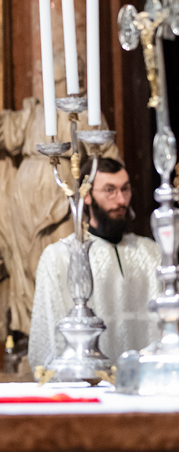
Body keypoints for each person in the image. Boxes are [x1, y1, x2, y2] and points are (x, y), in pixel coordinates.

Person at [0, 61, 119, 336]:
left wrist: (113, 191)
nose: (78, 83)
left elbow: (107, 156)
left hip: (63, 199)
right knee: (27, 268)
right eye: (68, 78)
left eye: (80, 77)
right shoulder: (32, 113)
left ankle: (70, 335)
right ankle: (37, 337)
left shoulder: (84, 114)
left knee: (66, 264)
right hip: (23, 201)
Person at [28, 158, 159, 371]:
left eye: (125, 189)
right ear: (86, 195)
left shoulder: (151, 253)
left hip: (147, 382)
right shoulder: (60, 257)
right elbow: (48, 338)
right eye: (109, 190)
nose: (121, 200)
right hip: (89, 382)